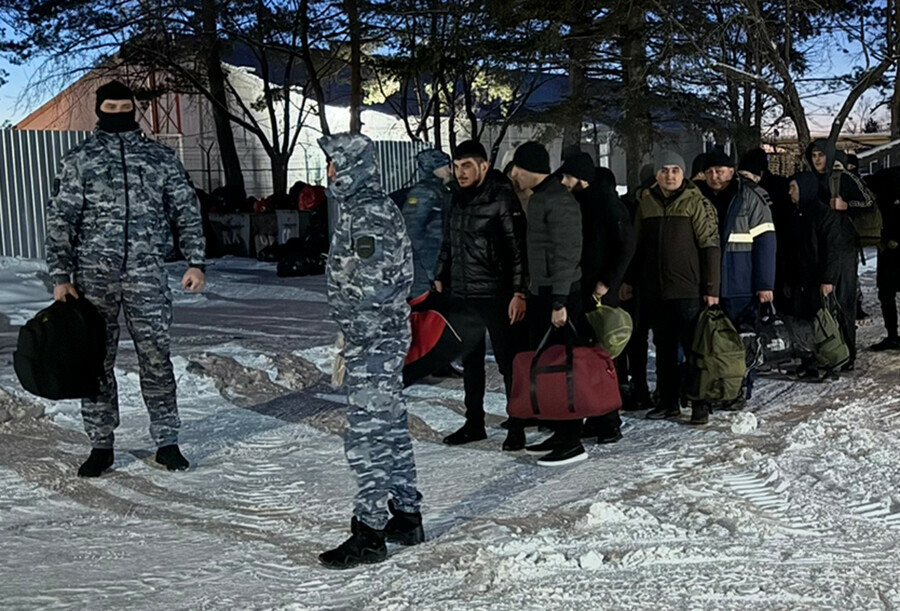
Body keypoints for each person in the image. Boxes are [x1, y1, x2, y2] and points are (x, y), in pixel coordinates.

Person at [45, 81, 206, 478]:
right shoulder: (79, 160)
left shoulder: (159, 158)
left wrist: (196, 260)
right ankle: (101, 445)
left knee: (156, 358)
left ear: (135, 109)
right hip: (92, 278)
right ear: (99, 110)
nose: (118, 113)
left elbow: (185, 208)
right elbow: (61, 220)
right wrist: (60, 276)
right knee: (96, 362)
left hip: (147, 273)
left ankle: (167, 442)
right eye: (111, 106)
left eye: (125, 106)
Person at [317, 132, 424, 569]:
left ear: (349, 167)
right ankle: (406, 514)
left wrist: (356, 334)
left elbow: (374, 286)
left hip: (373, 339)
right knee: (390, 427)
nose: (328, 172)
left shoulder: (368, 214)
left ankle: (370, 532)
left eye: (333, 164)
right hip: (375, 335)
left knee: (367, 436)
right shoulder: (364, 209)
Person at [433, 141, 528, 449]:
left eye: (467, 167)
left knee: (507, 361)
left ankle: (517, 425)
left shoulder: (501, 197)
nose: (460, 173)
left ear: (484, 166)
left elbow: (517, 250)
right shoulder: (454, 199)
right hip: (462, 293)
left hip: (496, 293)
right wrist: (439, 276)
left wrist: (518, 292)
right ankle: (474, 423)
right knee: (471, 363)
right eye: (457, 167)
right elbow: (448, 242)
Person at [621, 151, 720, 425]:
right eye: (664, 170)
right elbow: (636, 247)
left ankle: (700, 403)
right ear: (657, 174)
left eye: (675, 170)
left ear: (684, 173)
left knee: (694, 349)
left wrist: (711, 287)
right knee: (663, 349)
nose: (670, 175)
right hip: (655, 290)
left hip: (688, 289)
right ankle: (668, 402)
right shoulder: (647, 204)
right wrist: (629, 280)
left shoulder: (696, 203)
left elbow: (710, 245)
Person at [510, 141, 590, 466]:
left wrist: (559, 300)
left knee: (563, 365)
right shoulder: (543, 197)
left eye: (518, 169)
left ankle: (572, 439)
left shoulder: (559, 201)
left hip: (560, 296)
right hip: (544, 292)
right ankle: (560, 430)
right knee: (549, 366)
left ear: (531, 170)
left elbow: (567, 252)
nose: (514, 174)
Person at [559, 154, 635, 442]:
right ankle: (596, 415)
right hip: (583, 289)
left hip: (600, 291)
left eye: (567, 177)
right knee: (587, 356)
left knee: (602, 358)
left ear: (581, 177)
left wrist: (608, 281)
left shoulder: (606, 203)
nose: (563, 182)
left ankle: (609, 421)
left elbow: (626, 245)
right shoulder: (583, 201)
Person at [785, 172, 845, 375]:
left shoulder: (823, 215)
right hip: (800, 280)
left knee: (823, 323)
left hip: (817, 279)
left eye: (794, 188)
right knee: (803, 323)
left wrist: (828, 279)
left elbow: (832, 250)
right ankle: (809, 361)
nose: (790, 192)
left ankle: (832, 360)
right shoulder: (795, 214)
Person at [402, 149, 454, 296]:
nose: (449, 170)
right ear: (433, 168)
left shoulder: (442, 190)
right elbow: (412, 230)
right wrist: (430, 271)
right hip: (426, 268)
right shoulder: (423, 193)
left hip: (437, 264)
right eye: (445, 166)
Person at [865, 168, 900, 351]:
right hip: (886, 247)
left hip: (888, 247)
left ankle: (892, 335)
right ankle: (892, 335)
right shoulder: (886, 183)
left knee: (886, 294)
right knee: (886, 294)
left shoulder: (884, 186)